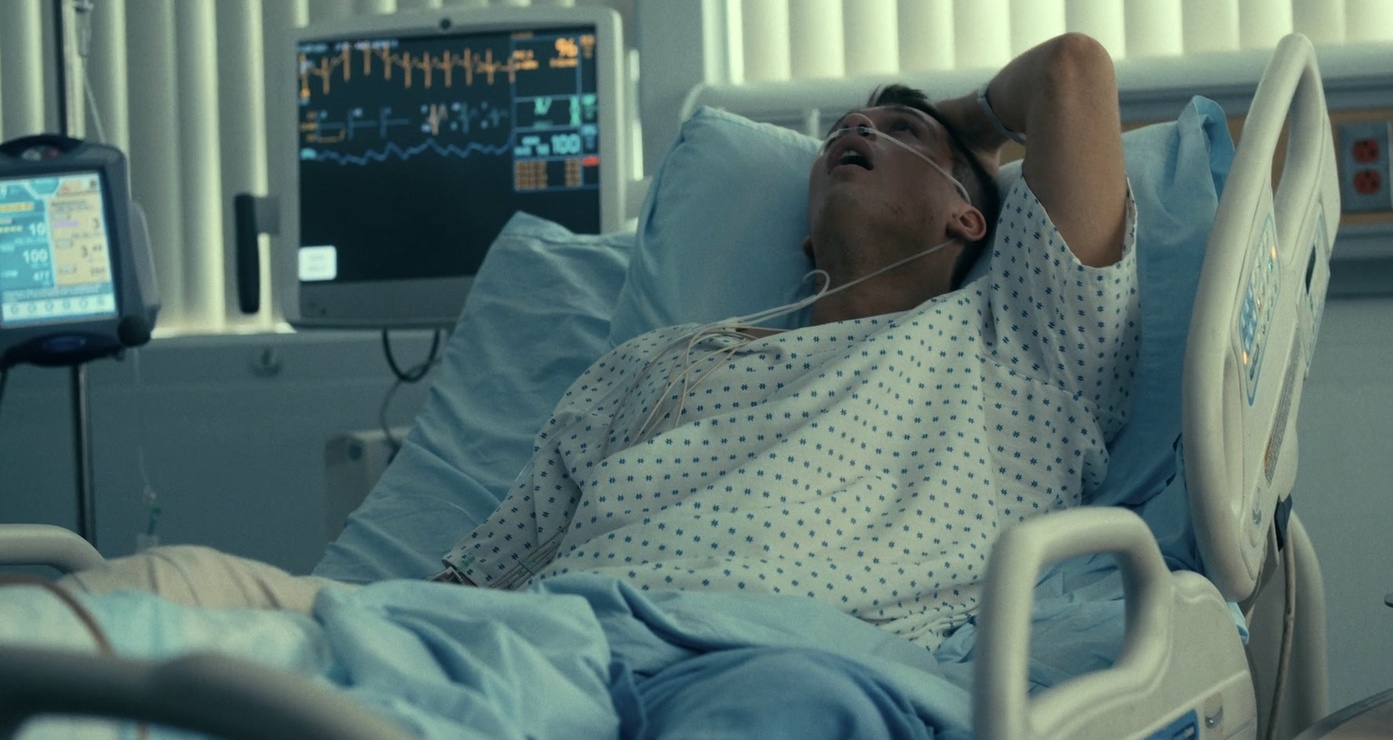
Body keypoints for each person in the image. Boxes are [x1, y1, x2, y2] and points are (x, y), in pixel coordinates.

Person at [47, 32, 1137, 737]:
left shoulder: (1013, 344)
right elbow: (476, 577)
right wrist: (350, 621)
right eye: (842, 130)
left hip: (784, 659)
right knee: (171, 594)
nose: (851, 128)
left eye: (894, 134)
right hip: (549, 640)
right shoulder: (655, 363)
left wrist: (950, 123)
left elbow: (1071, 73)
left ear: (968, 217)